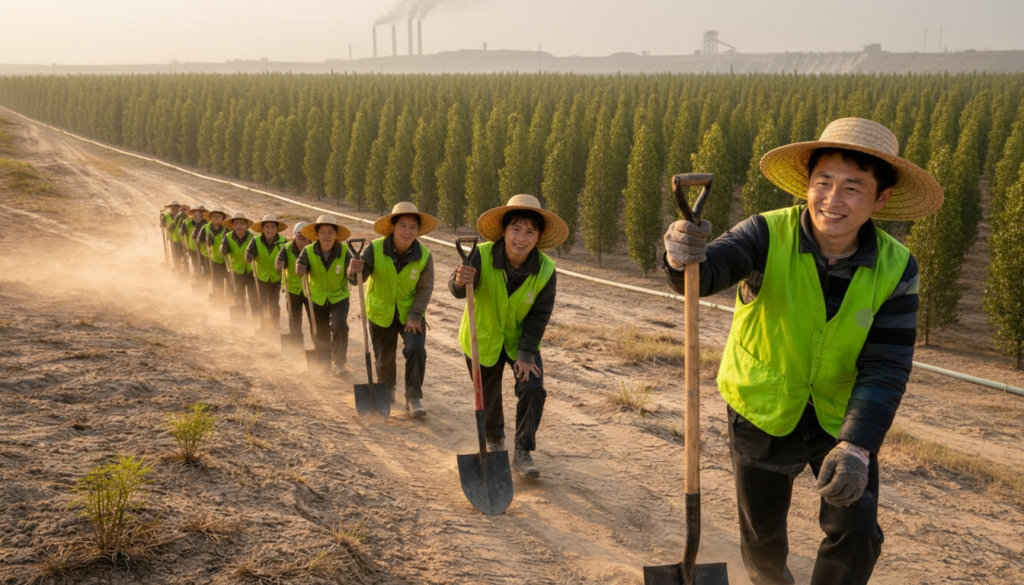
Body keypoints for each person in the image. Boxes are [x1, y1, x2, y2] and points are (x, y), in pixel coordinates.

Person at [662, 118, 943, 585]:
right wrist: (678, 255)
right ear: (806, 186)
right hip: (762, 407)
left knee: (857, 532)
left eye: (853, 187)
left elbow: (886, 366)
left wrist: (857, 445)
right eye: (823, 183)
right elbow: (706, 273)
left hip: (841, 418)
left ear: (882, 198)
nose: (833, 200)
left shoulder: (897, 268)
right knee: (762, 534)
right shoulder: (764, 234)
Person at [449, 194, 568, 478]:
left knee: (533, 388)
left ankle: (522, 452)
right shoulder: (481, 254)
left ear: (538, 237)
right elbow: (457, 290)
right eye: (516, 229)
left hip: (519, 340)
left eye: (530, 231)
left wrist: (527, 355)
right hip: (483, 335)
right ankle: (494, 443)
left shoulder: (546, 270)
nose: (522, 238)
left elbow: (539, 316)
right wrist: (458, 280)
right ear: (504, 231)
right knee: (488, 397)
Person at [348, 202, 437, 418]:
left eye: (413, 227)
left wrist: (416, 316)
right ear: (393, 227)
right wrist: (353, 271)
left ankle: (413, 398)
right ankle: (386, 390)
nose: (408, 232)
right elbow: (357, 279)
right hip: (380, 311)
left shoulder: (424, 255)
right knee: (384, 358)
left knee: (416, 350)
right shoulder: (375, 248)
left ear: (418, 230)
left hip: (410, 314)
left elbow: (425, 288)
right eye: (403, 226)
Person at [295, 215, 352, 374]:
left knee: (340, 326)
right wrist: (300, 268)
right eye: (323, 232)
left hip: (339, 296)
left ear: (336, 235)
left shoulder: (344, 251)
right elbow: (299, 265)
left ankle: (339, 363)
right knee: (320, 331)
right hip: (316, 296)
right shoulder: (308, 251)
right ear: (317, 235)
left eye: (330, 232)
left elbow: (351, 271)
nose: (327, 236)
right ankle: (324, 363)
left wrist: (352, 271)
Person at [245, 214, 288, 331]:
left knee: (274, 301)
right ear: (263, 229)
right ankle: (263, 324)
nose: (270, 230)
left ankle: (274, 323)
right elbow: (248, 253)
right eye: (267, 227)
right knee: (262, 301)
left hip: (276, 277)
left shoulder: (283, 241)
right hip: (260, 276)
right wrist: (249, 255)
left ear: (277, 229)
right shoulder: (255, 240)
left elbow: (288, 255)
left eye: (273, 227)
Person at [275, 221, 313, 348]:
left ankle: (317, 345)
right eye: (300, 238)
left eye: (307, 238)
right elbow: (279, 261)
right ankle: (295, 345)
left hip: (311, 291)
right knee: (294, 318)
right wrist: (279, 264)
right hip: (292, 290)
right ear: (294, 237)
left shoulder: (313, 248)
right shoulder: (286, 248)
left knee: (314, 320)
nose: (304, 242)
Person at [219, 211, 256, 315]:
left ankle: (256, 316)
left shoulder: (252, 238)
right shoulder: (228, 237)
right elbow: (222, 248)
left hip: (250, 271)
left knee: (254, 295)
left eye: (242, 224)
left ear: (246, 226)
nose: (239, 227)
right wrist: (223, 249)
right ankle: (240, 315)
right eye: (236, 224)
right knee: (239, 295)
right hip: (236, 270)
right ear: (233, 226)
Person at [201, 206, 230, 301]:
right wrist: (206, 242)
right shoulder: (206, 228)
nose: (217, 218)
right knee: (217, 280)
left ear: (222, 219)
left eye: (219, 217)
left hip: (227, 260)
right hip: (214, 259)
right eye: (214, 217)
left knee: (229, 281)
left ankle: (229, 298)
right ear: (211, 218)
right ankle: (219, 298)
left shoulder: (227, 229)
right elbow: (198, 240)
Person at [180, 204, 208, 280]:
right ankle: (197, 279)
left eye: (199, 215)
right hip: (193, 249)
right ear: (193, 215)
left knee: (206, 268)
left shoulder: (207, 224)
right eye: (195, 215)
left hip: (204, 251)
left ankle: (204, 281)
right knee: (196, 267)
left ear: (202, 215)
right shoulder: (188, 223)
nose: (197, 218)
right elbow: (183, 233)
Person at [161, 200, 183, 268]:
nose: (175, 210)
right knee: (175, 254)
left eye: (176, 208)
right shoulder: (167, 217)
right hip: (172, 239)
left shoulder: (182, 216)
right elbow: (163, 225)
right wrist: (162, 221)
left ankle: (184, 267)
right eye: (173, 208)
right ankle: (177, 267)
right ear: (171, 209)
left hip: (182, 239)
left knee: (183, 254)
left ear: (179, 208)